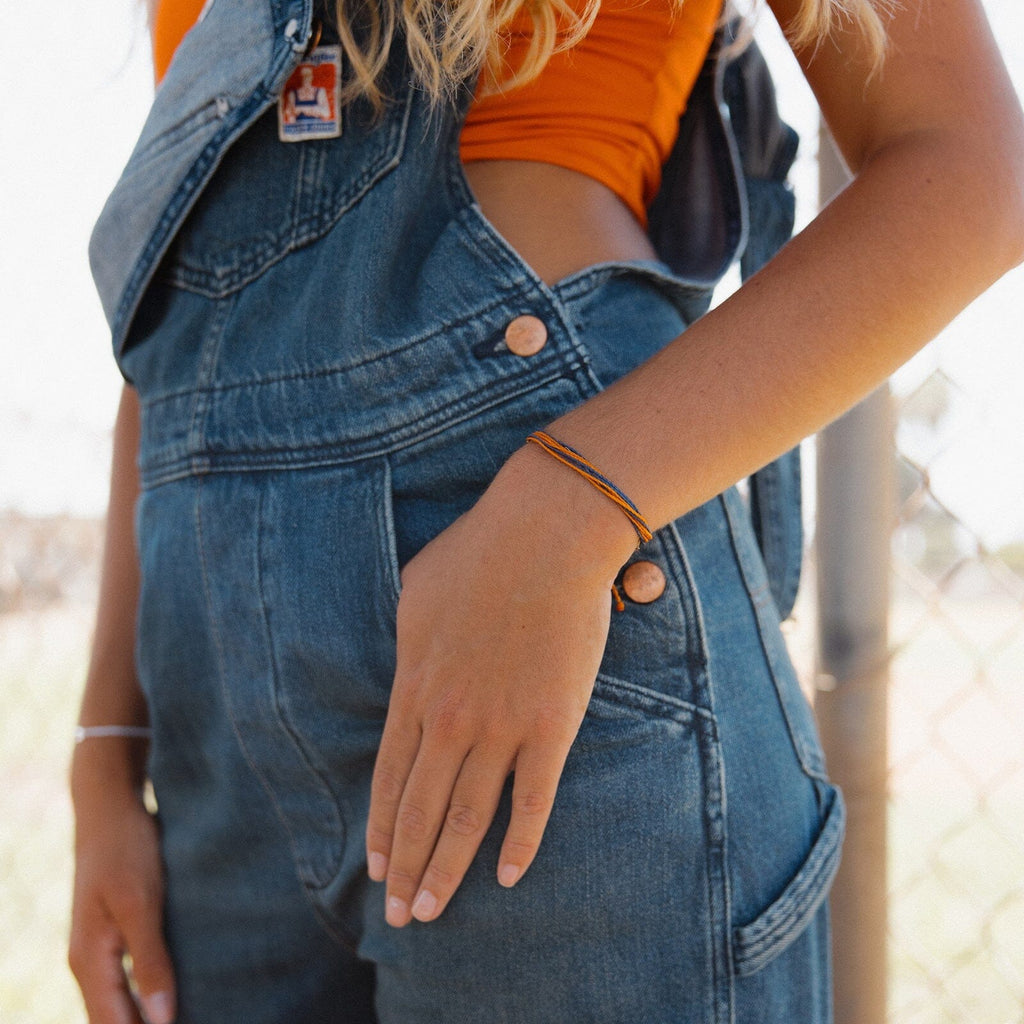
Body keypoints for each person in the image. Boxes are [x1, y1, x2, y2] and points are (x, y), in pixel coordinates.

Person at [69, 0, 1024, 1021]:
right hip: (211, 685)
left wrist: (571, 503)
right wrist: (107, 745)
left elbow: (968, 166)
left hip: (540, 569)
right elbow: (179, 292)